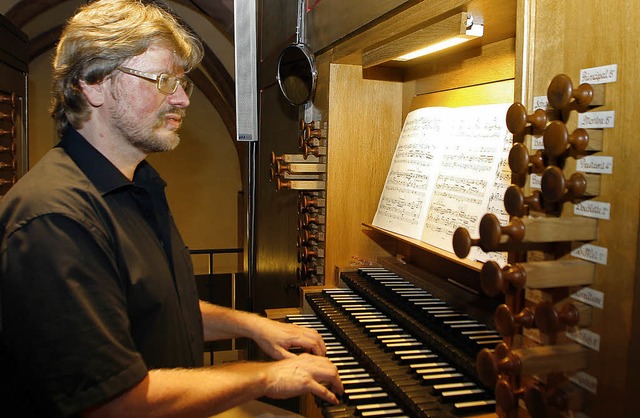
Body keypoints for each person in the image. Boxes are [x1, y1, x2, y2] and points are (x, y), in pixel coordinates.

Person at [0, 0, 342, 417]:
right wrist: (264, 377)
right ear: (92, 83)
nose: (181, 99)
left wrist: (252, 326)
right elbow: (111, 404)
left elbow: (157, 308)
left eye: (182, 83)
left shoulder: (138, 185)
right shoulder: (55, 221)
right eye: (163, 79)